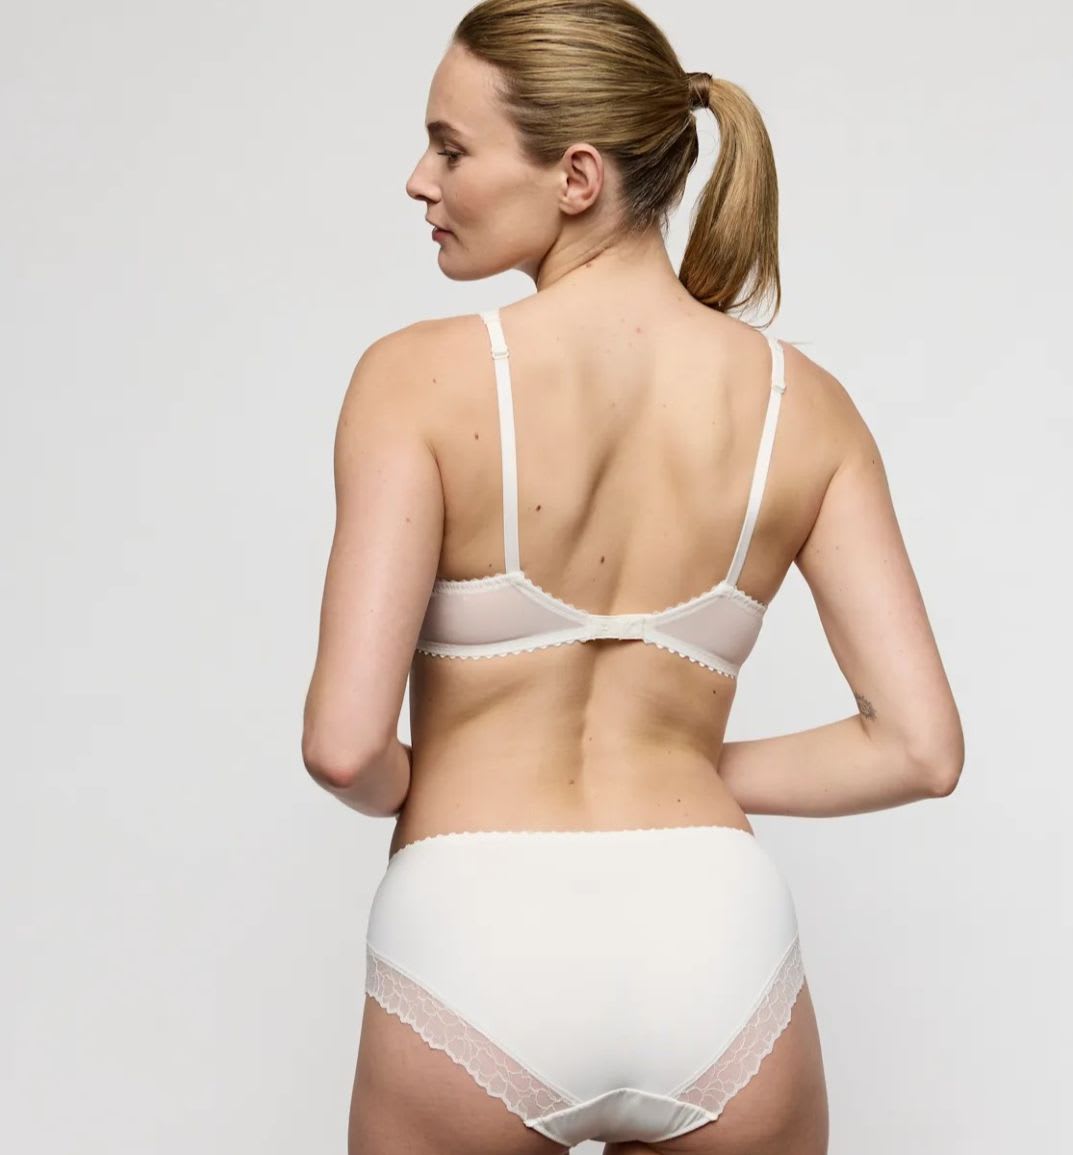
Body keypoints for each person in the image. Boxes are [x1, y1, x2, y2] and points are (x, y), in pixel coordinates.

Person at [301, 2, 964, 1152]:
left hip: (473, 930)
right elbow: (920, 749)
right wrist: (682, 766)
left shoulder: (416, 381)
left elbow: (346, 749)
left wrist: (430, 776)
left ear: (577, 176)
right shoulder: (806, 408)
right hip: (717, 940)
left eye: (451, 148)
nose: (420, 180)